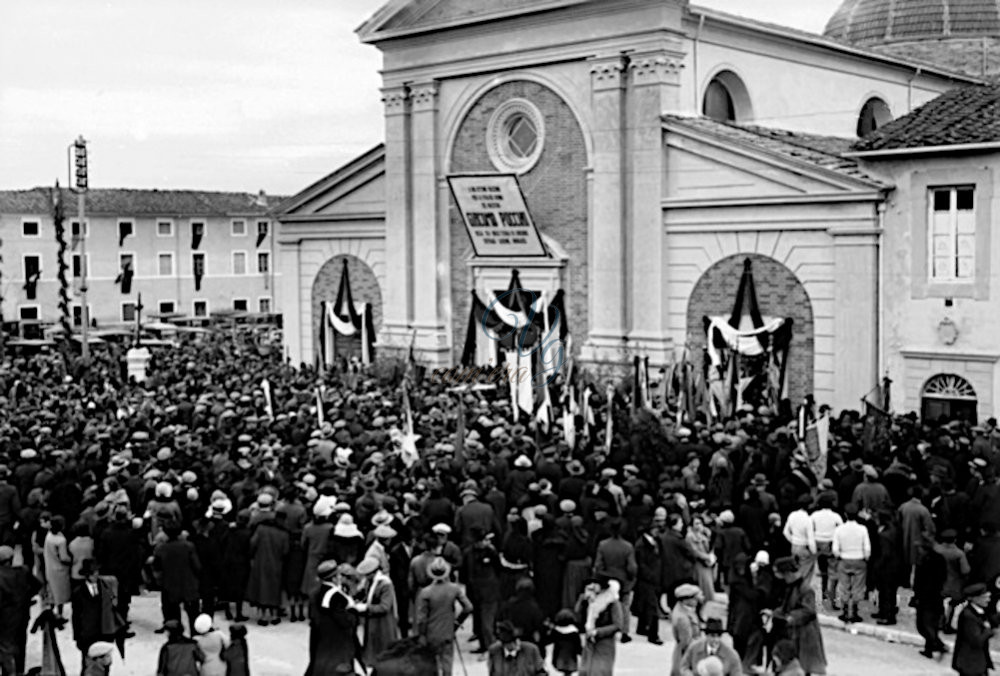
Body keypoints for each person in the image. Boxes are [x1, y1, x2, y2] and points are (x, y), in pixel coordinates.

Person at [414, 557, 473, 676]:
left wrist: (421, 635)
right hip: (447, 632)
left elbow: (421, 619)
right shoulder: (454, 589)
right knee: (447, 663)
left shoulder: (425, 592)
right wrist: (457, 622)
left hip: (430, 634)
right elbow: (468, 607)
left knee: (431, 665)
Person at [305, 561, 363, 676]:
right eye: (338, 575)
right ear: (334, 578)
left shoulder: (315, 593)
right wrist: (354, 612)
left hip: (320, 641)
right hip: (337, 643)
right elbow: (346, 622)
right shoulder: (337, 597)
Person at [772, 556, 826, 676]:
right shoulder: (790, 587)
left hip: (805, 633)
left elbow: (809, 610)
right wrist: (776, 613)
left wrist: (791, 617)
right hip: (793, 631)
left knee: (804, 665)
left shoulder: (805, 589)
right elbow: (786, 606)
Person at [71, 559, 120, 676]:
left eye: (97, 571)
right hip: (87, 635)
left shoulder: (105, 587)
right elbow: (76, 617)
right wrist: (77, 637)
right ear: (87, 575)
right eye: (93, 572)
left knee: (105, 665)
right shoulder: (78, 592)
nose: (96, 575)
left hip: (104, 633)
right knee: (87, 666)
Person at [0, 545, 41, 676]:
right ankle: (19, 671)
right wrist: (25, 598)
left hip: (3, 620)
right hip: (21, 616)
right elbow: (37, 586)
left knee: (5, 650)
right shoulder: (23, 571)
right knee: (20, 645)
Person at [154, 523, 202, 635]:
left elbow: (157, 569)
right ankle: (195, 637)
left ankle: (177, 638)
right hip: (188, 583)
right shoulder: (189, 546)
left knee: (172, 615)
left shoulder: (161, 549)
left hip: (169, 585)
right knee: (193, 614)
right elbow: (197, 566)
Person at [574, 573, 624, 676]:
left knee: (600, 671)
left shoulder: (613, 602)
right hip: (590, 644)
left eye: (595, 584)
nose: (592, 586)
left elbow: (617, 625)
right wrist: (582, 600)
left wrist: (597, 632)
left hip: (604, 644)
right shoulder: (590, 600)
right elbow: (577, 617)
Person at [356, 555, 400, 667]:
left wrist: (366, 607)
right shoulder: (370, 582)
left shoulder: (385, 584)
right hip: (373, 622)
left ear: (373, 573)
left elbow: (385, 607)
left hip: (384, 623)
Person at [831, 503, 869, 624]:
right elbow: (867, 548)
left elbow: (835, 549)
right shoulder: (862, 529)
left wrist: (839, 556)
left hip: (844, 559)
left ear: (845, 515)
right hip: (859, 559)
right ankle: (855, 612)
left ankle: (845, 611)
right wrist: (865, 557)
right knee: (858, 587)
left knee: (844, 586)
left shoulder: (839, 530)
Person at [952, 583, 995, 676]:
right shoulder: (969, 617)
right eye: (985, 597)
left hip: (976, 663)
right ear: (975, 598)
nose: (988, 600)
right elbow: (977, 641)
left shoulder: (978, 611)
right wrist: (988, 631)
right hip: (970, 664)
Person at [677, 618, 742, 676]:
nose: (716, 639)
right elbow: (684, 667)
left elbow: (737, 673)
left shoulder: (731, 654)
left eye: (718, 636)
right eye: (712, 636)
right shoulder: (694, 647)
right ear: (706, 635)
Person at [670, 584, 704, 676]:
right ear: (686, 600)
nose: (698, 600)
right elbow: (686, 643)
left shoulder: (685, 610)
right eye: (695, 598)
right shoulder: (682, 618)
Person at [43, 514, 72, 618]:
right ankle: (59, 614)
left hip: (49, 566)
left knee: (51, 591)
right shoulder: (61, 540)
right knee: (60, 593)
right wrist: (72, 560)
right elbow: (64, 557)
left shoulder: (49, 536)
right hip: (59, 570)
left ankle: (50, 611)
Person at [548, 608, 582, 676]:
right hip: (571, 659)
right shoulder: (574, 632)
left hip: (559, 659)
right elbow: (578, 648)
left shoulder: (555, 631)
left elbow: (551, 646)